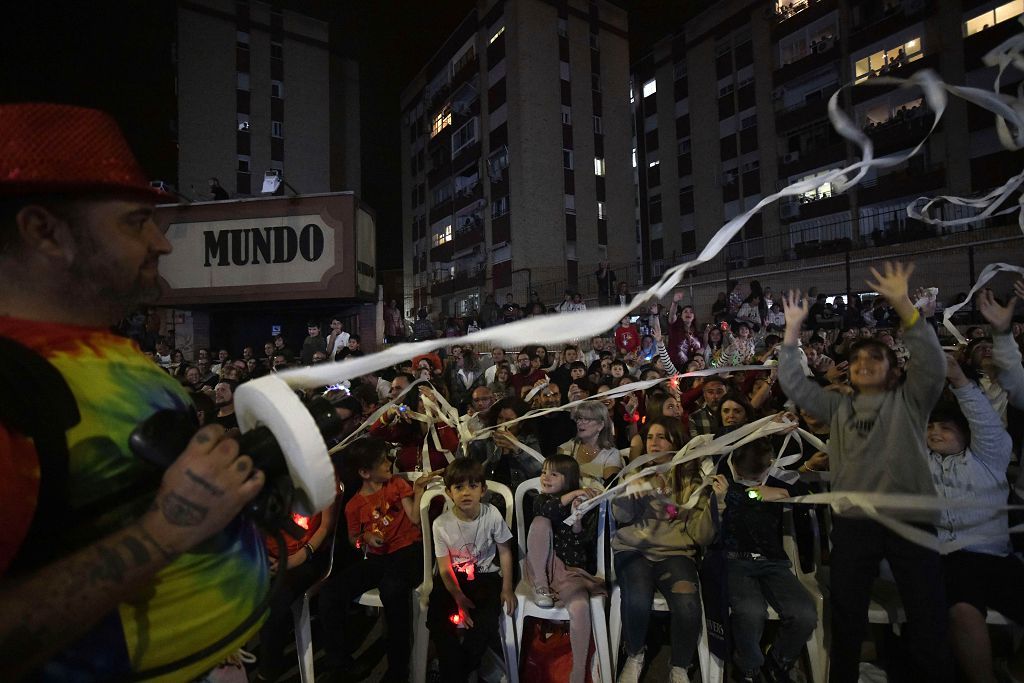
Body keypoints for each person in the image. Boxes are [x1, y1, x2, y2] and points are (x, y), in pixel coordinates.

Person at [0, 103, 267, 680]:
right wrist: (169, 528)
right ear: (44, 231)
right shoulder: (8, 384)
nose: (161, 243)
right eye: (134, 221)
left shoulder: (100, 344)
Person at [777, 262, 952, 683]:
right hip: (855, 522)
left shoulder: (913, 401)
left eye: (876, 357)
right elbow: (798, 388)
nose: (864, 363)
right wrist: (791, 332)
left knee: (926, 612)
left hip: (910, 519)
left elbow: (933, 365)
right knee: (848, 612)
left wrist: (903, 305)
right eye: (856, 359)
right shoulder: (839, 407)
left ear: (894, 370)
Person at [928, 354, 1024, 683]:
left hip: (996, 556)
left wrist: (958, 380)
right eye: (931, 428)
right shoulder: (920, 464)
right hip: (950, 557)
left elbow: (985, 422)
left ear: (966, 434)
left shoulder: (988, 457)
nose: (935, 434)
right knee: (963, 610)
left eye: (945, 428)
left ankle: (1014, 670)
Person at [613, 417, 729, 683]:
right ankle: (634, 654)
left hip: (675, 552)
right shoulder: (634, 472)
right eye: (650, 437)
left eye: (662, 437)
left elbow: (701, 535)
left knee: (688, 605)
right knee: (637, 598)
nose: (654, 443)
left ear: (677, 442)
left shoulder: (691, 481)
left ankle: (679, 665)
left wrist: (717, 504)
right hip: (633, 549)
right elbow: (620, 515)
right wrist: (626, 495)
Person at [320, 437, 438, 681]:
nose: (389, 464)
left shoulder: (396, 485)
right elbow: (353, 538)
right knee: (330, 593)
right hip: (378, 558)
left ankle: (398, 670)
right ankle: (339, 663)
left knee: (392, 589)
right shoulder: (353, 505)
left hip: (409, 552)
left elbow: (415, 519)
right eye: (382, 461)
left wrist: (418, 490)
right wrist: (366, 537)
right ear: (364, 472)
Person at [720, 439, 817, 683]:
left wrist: (784, 492)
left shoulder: (777, 480)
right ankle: (748, 667)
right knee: (751, 611)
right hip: (735, 562)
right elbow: (730, 496)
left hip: (773, 562)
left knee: (804, 612)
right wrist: (749, 493)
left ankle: (778, 661)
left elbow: (809, 497)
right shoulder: (725, 480)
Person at [426, 459, 515, 683]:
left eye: (473, 486)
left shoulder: (492, 514)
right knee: (437, 617)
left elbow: (505, 552)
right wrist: (458, 596)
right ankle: (455, 668)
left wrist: (507, 588)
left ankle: (457, 672)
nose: (466, 493)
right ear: (449, 492)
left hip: (485, 575)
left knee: (485, 620)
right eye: (459, 487)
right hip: (453, 579)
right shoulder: (440, 524)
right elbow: (445, 568)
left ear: (483, 490)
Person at [525, 454, 605, 683]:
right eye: (543, 472)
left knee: (580, 606)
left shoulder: (579, 504)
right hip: (544, 567)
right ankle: (541, 586)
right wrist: (574, 494)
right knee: (541, 521)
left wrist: (577, 519)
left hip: (570, 572)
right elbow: (548, 511)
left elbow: (581, 550)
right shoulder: (540, 500)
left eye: (554, 474)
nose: (545, 477)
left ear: (568, 479)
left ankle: (578, 671)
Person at [558, 400, 624, 483]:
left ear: (600, 425)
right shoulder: (568, 447)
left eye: (586, 419)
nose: (579, 423)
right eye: (579, 418)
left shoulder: (611, 454)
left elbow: (610, 486)